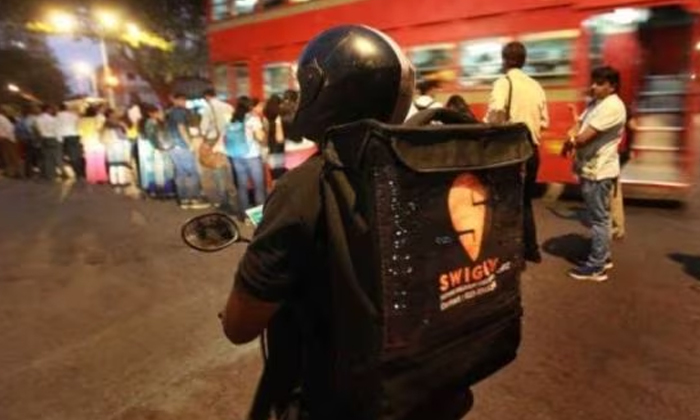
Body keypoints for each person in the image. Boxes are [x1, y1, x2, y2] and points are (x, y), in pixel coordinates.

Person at [219, 25, 474, 419]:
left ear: (326, 92)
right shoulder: (425, 169)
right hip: (431, 387)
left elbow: (239, 327)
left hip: (345, 400)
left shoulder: (304, 187)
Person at [485, 41, 549, 263]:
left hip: (510, 151)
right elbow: (545, 122)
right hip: (532, 150)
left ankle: (509, 253)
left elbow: (496, 110)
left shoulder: (503, 83)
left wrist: (490, 125)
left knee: (504, 201)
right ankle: (531, 250)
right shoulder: (536, 86)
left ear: (504, 60)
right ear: (524, 60)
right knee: (525, 201)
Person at [562, 66, 626, 282]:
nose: (593, 86)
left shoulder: (612, 107)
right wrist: (573, 135)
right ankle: (602, 257)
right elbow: (579, 125)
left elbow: (582, 138)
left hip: (599, 171)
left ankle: (596, 267)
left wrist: (571, 140)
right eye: (593, 81)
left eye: (599, 83)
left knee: (599, 220)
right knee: (600, 217)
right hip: (590, 169)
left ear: (612, 86)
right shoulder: (596, 104)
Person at [166, 93, 209, 209]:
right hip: (182, 145)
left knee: (180, 172)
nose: (184, 103)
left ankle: (183, 199)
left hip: (172, 147)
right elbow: (181, 128)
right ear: (176, 100)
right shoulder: (179, 112)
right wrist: (189, 144)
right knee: (192, 172)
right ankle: (194, 198)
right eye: (182, 100)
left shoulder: (170, 112)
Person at [200, 88, 234, 209]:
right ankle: (233, 193)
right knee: (229, 168)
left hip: (214, 142)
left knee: (217, 169)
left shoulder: (208, 108)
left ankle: (224, 200)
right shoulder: (228, 107)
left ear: (206, 97)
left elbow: (203, 128)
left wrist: (204, 139)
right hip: (229, 140)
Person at [57, 103, 84, 180]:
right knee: (77, 156)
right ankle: (80, 173)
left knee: (66, 156)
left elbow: (57, 128)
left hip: (64, 137)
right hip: (74, 136)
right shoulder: (73, 115)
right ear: (66, 108)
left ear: (59, 109)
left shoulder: (57, 116)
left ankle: (71, 172)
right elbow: (79, 125)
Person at [0, 109, 23, 178]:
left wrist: (3, 137)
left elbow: (4, 131)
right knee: (10, 157)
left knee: (8, 157)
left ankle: (14, 172)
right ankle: (13, 172)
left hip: (6, 139)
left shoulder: (1, 118)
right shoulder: (4, 118)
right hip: (9, 139)